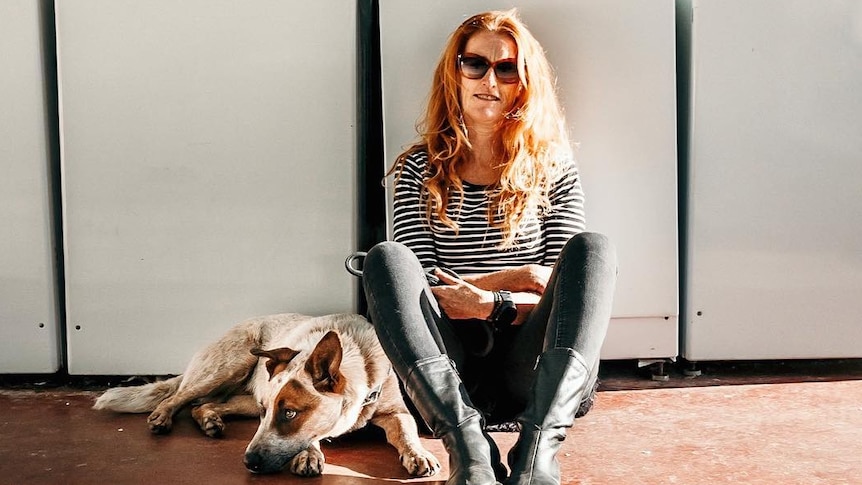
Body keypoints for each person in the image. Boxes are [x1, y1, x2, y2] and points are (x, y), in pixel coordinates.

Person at [361, 9, 617, 485]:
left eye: (506, 68)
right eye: (475, 64)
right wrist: (520, 278)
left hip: (536, 376)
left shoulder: (552, 168)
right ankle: (469, 448)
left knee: (594, 250)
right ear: (454, 72)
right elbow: (422, 291)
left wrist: (487, 302)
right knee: (387, 259)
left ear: (524, 82)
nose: (489, 80)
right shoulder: (419, 170)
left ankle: (537, 450)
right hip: (449, 377)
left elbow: (558, 292)